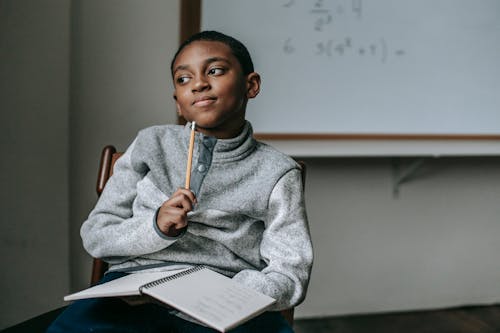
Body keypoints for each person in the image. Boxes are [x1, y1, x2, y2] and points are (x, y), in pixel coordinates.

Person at [47, 30, 313, 333]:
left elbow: (290, 272)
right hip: (135, 291)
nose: (198, 84)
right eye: (183, 79)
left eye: (214, 71)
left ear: (250, 85)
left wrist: (242, 292)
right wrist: (155, 227)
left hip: (228, 296)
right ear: (178, 103)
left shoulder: (277, 171)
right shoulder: (150, 144)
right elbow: (97, 236)